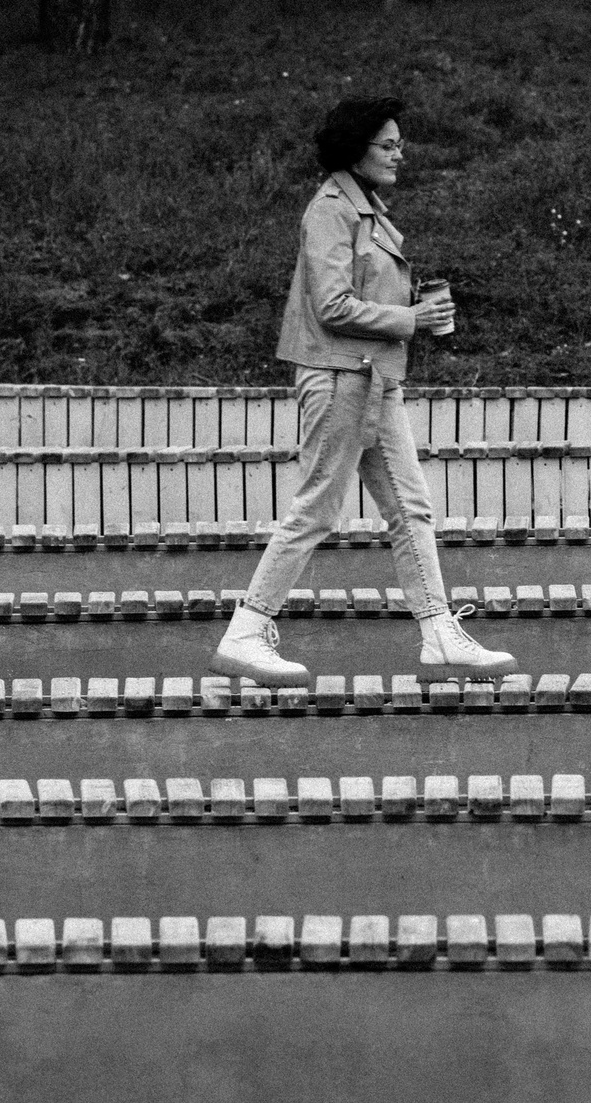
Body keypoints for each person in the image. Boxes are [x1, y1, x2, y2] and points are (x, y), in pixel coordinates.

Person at [208, 96, 515, 684]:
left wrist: (412, 309)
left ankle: (439, 633)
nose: (400, 153)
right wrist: (411, 321)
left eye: (399, 142)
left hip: (374, 376)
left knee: (410, 509)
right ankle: (246, 631)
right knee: (317, 508)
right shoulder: (329, 210)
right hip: (339, 376)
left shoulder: (368, 210)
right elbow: (331, 305)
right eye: (387, 144)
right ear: (355, 148)